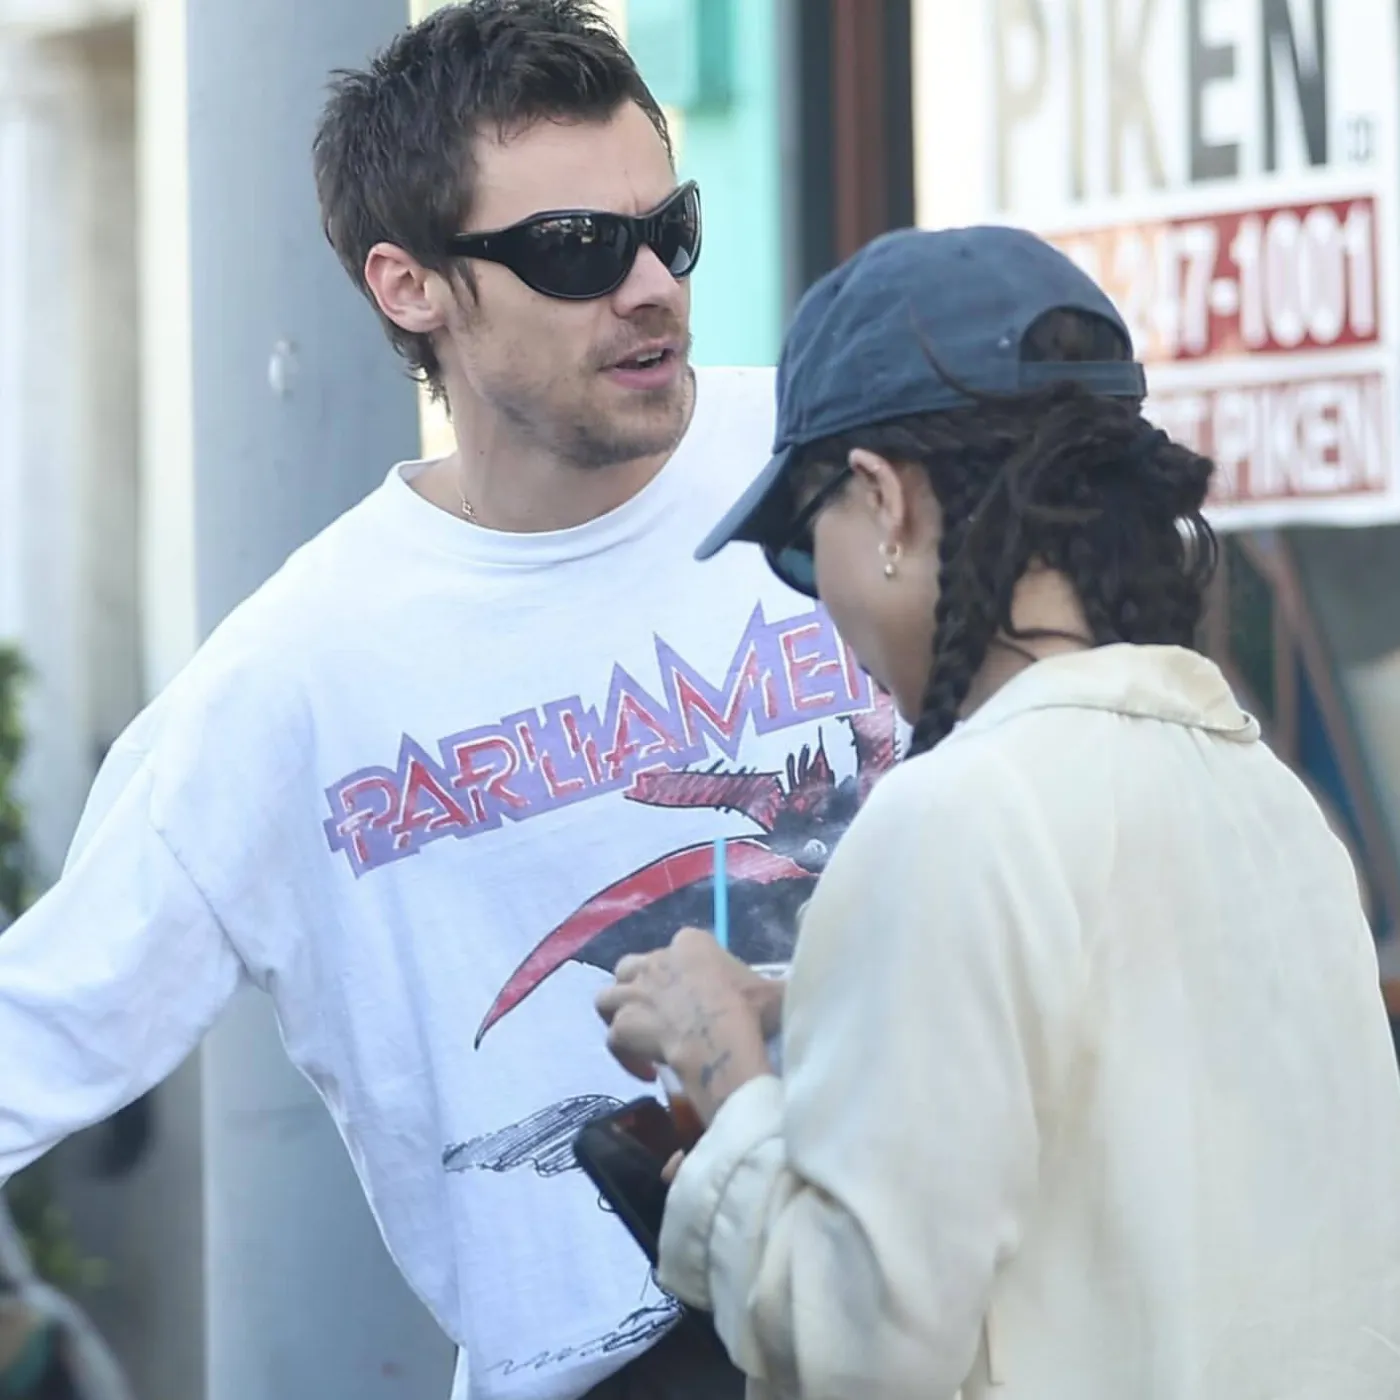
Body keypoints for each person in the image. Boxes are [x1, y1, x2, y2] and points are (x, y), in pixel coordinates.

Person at [0, 4, 897, 1397]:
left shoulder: (848, 467)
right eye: (577, 250)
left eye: (669, 230)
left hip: (954, 1307)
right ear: (410, 284)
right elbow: (41, 1028)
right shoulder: (299, 669)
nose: (649, 285)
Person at [596, 226, 1400, 1399]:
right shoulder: (1268, 800)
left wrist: (721, 1070)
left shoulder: (950, 814)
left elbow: (861, 1346)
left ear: (880, 498)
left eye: (800, 547)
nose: (817, 598)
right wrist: (827, 1003)